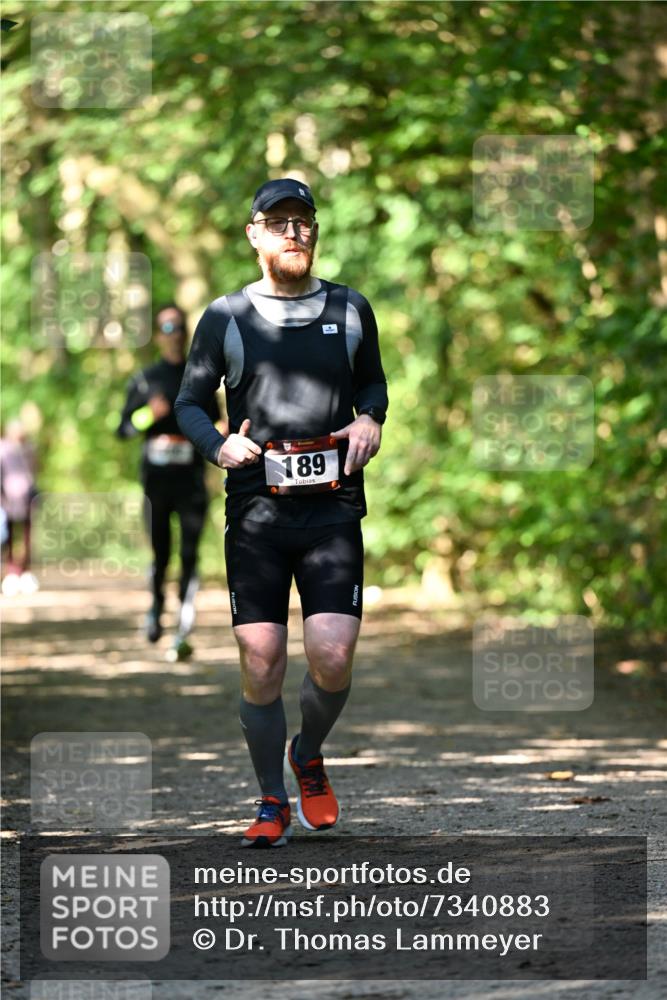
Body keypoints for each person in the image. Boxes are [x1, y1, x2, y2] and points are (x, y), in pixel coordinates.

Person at [175, 178, 388, 847]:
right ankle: (271, 798)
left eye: (303, 222)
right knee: (262, 658)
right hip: (256, 516)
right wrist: (218, 444)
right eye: (278, 223)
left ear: (314, 232)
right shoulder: (226, 316)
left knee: (333, 655)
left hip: (333, 510)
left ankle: (308, 754)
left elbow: (372, 382)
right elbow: (188, 402)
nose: (293, 233)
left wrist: (370, 418)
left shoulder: (350, 308)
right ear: (254, 235)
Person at [117, 304, 221, 661]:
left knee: (189, 553)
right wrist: (150, 414)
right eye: (166, 327)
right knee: (160, 553)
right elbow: (123, 429)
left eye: (178, 327)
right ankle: (156, 606)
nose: (173, 334)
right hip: (156, 484)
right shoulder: (145, 379)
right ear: (157, 335)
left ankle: (184, 621)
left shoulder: (200, 378)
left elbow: (217, 425)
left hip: (191, 482)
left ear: (186, 333)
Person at [0, 419, 39, 596]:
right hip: (7, 501)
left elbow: (33, 472)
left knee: (27, 537)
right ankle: (11, 572)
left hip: (27, 499)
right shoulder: (3, 449)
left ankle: (25, 572)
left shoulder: (29, 448)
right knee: (7, 537)